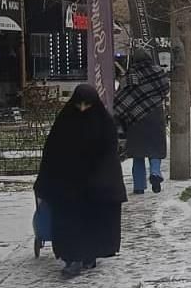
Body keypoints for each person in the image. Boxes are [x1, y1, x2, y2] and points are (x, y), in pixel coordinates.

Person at [34, 84, 127, 277]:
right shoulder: (65, 121)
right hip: (68, 185)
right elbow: (52, 151)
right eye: (79, 105)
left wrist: (103, 179)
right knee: (69, 221)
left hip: (95, 185)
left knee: (92, 222)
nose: (83, 109)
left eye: (87, 105)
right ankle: (73, 258)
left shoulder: (104, 123)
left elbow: (109, 155)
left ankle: (89, 254)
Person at [114, 47, 170, 194]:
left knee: (137, 154)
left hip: (135, 119)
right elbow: (165, 89)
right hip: (155, 115)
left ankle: (139, 187)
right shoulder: (158, 72)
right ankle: (155, 173)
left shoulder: (129, 76)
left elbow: (121, 98)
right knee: (155, 149)